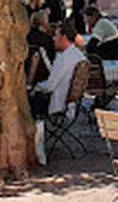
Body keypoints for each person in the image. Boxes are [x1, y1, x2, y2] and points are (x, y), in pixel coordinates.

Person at [31, 26, 86, 164]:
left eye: (56, 35)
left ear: (64, 38)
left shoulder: (64, 58)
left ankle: (38, 150)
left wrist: (35, 86)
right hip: (71, 103)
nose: (53, 39)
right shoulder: (78, 55)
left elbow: (49, 86)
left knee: (27, 102)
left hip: (57, 104)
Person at [24, 11, 55, 86]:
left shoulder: (27, 36)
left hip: (25, 70)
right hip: (43, 73)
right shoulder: (47, 40)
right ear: (45, 23)